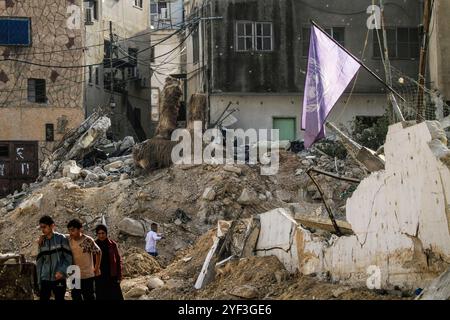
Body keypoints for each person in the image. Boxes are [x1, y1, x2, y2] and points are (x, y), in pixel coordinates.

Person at [36, 215, 72, 301]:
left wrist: (62, 271)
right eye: (41, 227)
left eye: (44, 227)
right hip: (45, 278)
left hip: (59, 277)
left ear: (52, 226)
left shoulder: (61, 239)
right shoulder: (42, 242)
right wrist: (39, 280)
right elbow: (40, 262)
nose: (42, 230)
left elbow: (68, 258)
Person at [67, 219, 101, 301]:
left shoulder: (87, 240)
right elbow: (56, 235)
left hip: (87, 275)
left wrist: (97, 268)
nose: (71, 233)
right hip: (74, 274)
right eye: (69, 231)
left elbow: (98, 252)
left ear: (80, 229)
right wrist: (43, 237)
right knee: (75, 296)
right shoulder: (68, 239)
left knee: (89, 296)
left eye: (73, 230)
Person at [94, 224, 124, 300]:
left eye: (103, 233)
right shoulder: (93, 245)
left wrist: (119, 275)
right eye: (99, 233)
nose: (101, 235)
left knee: (115, 295)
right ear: (97, 234)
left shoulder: (112, 244)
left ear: (106, 233)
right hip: (99, 276)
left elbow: (118, 260)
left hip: (111, 275)